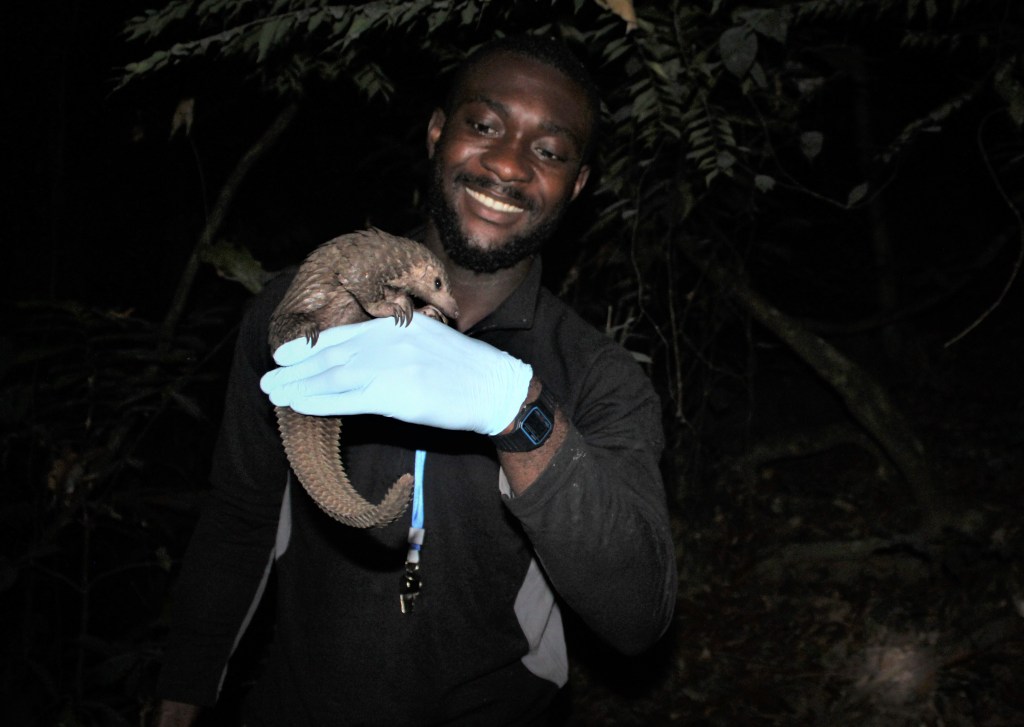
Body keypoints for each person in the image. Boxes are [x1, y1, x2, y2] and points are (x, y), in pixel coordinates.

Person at [153, 35, 677, 726]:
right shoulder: (306, 308)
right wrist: (179, 695)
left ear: (575, 185)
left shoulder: (597, 376)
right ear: (436, 133)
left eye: (549, 151)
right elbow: (240, 514)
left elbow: (639, 612)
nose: (509, 164)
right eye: (484, 126)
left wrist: (517, 409)